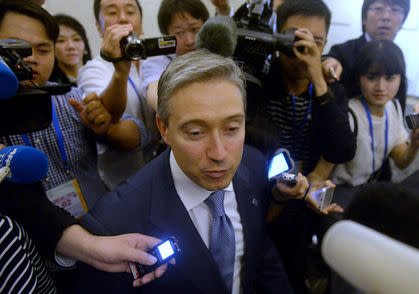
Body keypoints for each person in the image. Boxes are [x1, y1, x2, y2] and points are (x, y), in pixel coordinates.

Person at [77, 50, 294, 294]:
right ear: (164, 129)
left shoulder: (253, 166)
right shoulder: (113, 223)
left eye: (232, 128)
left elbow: (260, 254)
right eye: (195, 133)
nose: (220, 153)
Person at [0, 0, 150, 218]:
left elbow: (140, 135)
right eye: (16, 48)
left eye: (42, 50)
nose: (30, 58)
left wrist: (107, 128)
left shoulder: (71, 98)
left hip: (100, 225)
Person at [244, 1, 354, 292]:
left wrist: (318, 78)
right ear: (278, 35)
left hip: (304, 205)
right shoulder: (259, 83)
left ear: (326, 44)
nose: (305, 50)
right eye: (296, 39)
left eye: (316, 42)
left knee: (291, 277)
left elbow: (343, 149)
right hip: (258, 200)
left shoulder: (330, 88)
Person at [330, 40, 419, 187]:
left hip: (367, 187)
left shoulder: (393, 107)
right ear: (359, 78)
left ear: (400, 79)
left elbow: (400, 161)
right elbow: (321, 174)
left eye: (390, 78)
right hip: (340, 190)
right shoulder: (348, 115)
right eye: (371, 77)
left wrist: (414, 145)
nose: (380, 87)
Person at [78, 0, 156, 190]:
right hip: (118, 183)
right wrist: (121, 73)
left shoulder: (153, 64)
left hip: (158, 172)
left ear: (141, 24)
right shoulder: (93, 70)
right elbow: (107, 118)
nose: (122, 18)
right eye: (112, 12)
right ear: (99, 28)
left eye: (130, 11)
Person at [142, 0, 231, 111]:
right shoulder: (156, 64)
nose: (189, 41)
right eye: (179, 33)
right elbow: (155, 96)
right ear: (166, 35)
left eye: (195, 30)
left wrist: (223, 9)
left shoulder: (215, 52)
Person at [322, 0, 410, 111]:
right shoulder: (343, 51)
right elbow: (327, 62)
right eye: (378, 9)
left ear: (403, 21)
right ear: (364, 18)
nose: (386, 17)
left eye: (395, 10)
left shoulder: (397, 55)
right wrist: (326, 61)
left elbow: (399, 103)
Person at [49, 14, 92, 86]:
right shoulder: (50, 85)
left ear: (85, 47)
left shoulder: (102, 74)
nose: (71, 46)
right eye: (61, 40)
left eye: (76, 39)